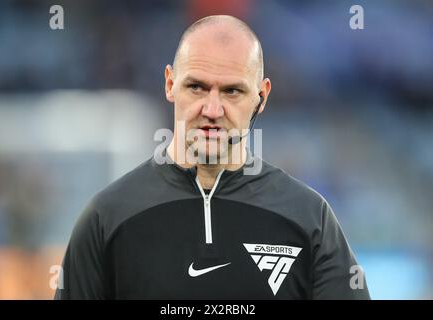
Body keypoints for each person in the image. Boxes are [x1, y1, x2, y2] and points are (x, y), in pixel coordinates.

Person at [55, 15, 370, 299]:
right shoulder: (107, 219)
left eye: (232, 91)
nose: (212, 110)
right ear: (169, 84)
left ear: (262, 97)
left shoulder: (308, 219)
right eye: (197, 87)